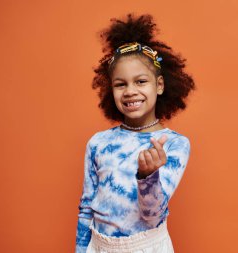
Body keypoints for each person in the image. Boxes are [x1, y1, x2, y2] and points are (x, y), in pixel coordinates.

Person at [75, 13, 196, 253]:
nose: (130, 91)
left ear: (159, 85)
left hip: (147, 246)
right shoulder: (98, 143)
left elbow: (152, 215)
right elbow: (86, 208)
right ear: (111, 90)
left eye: (141, 81)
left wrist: (147, 177)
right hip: (99, 246)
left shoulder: (174, 145)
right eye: (121, 84)